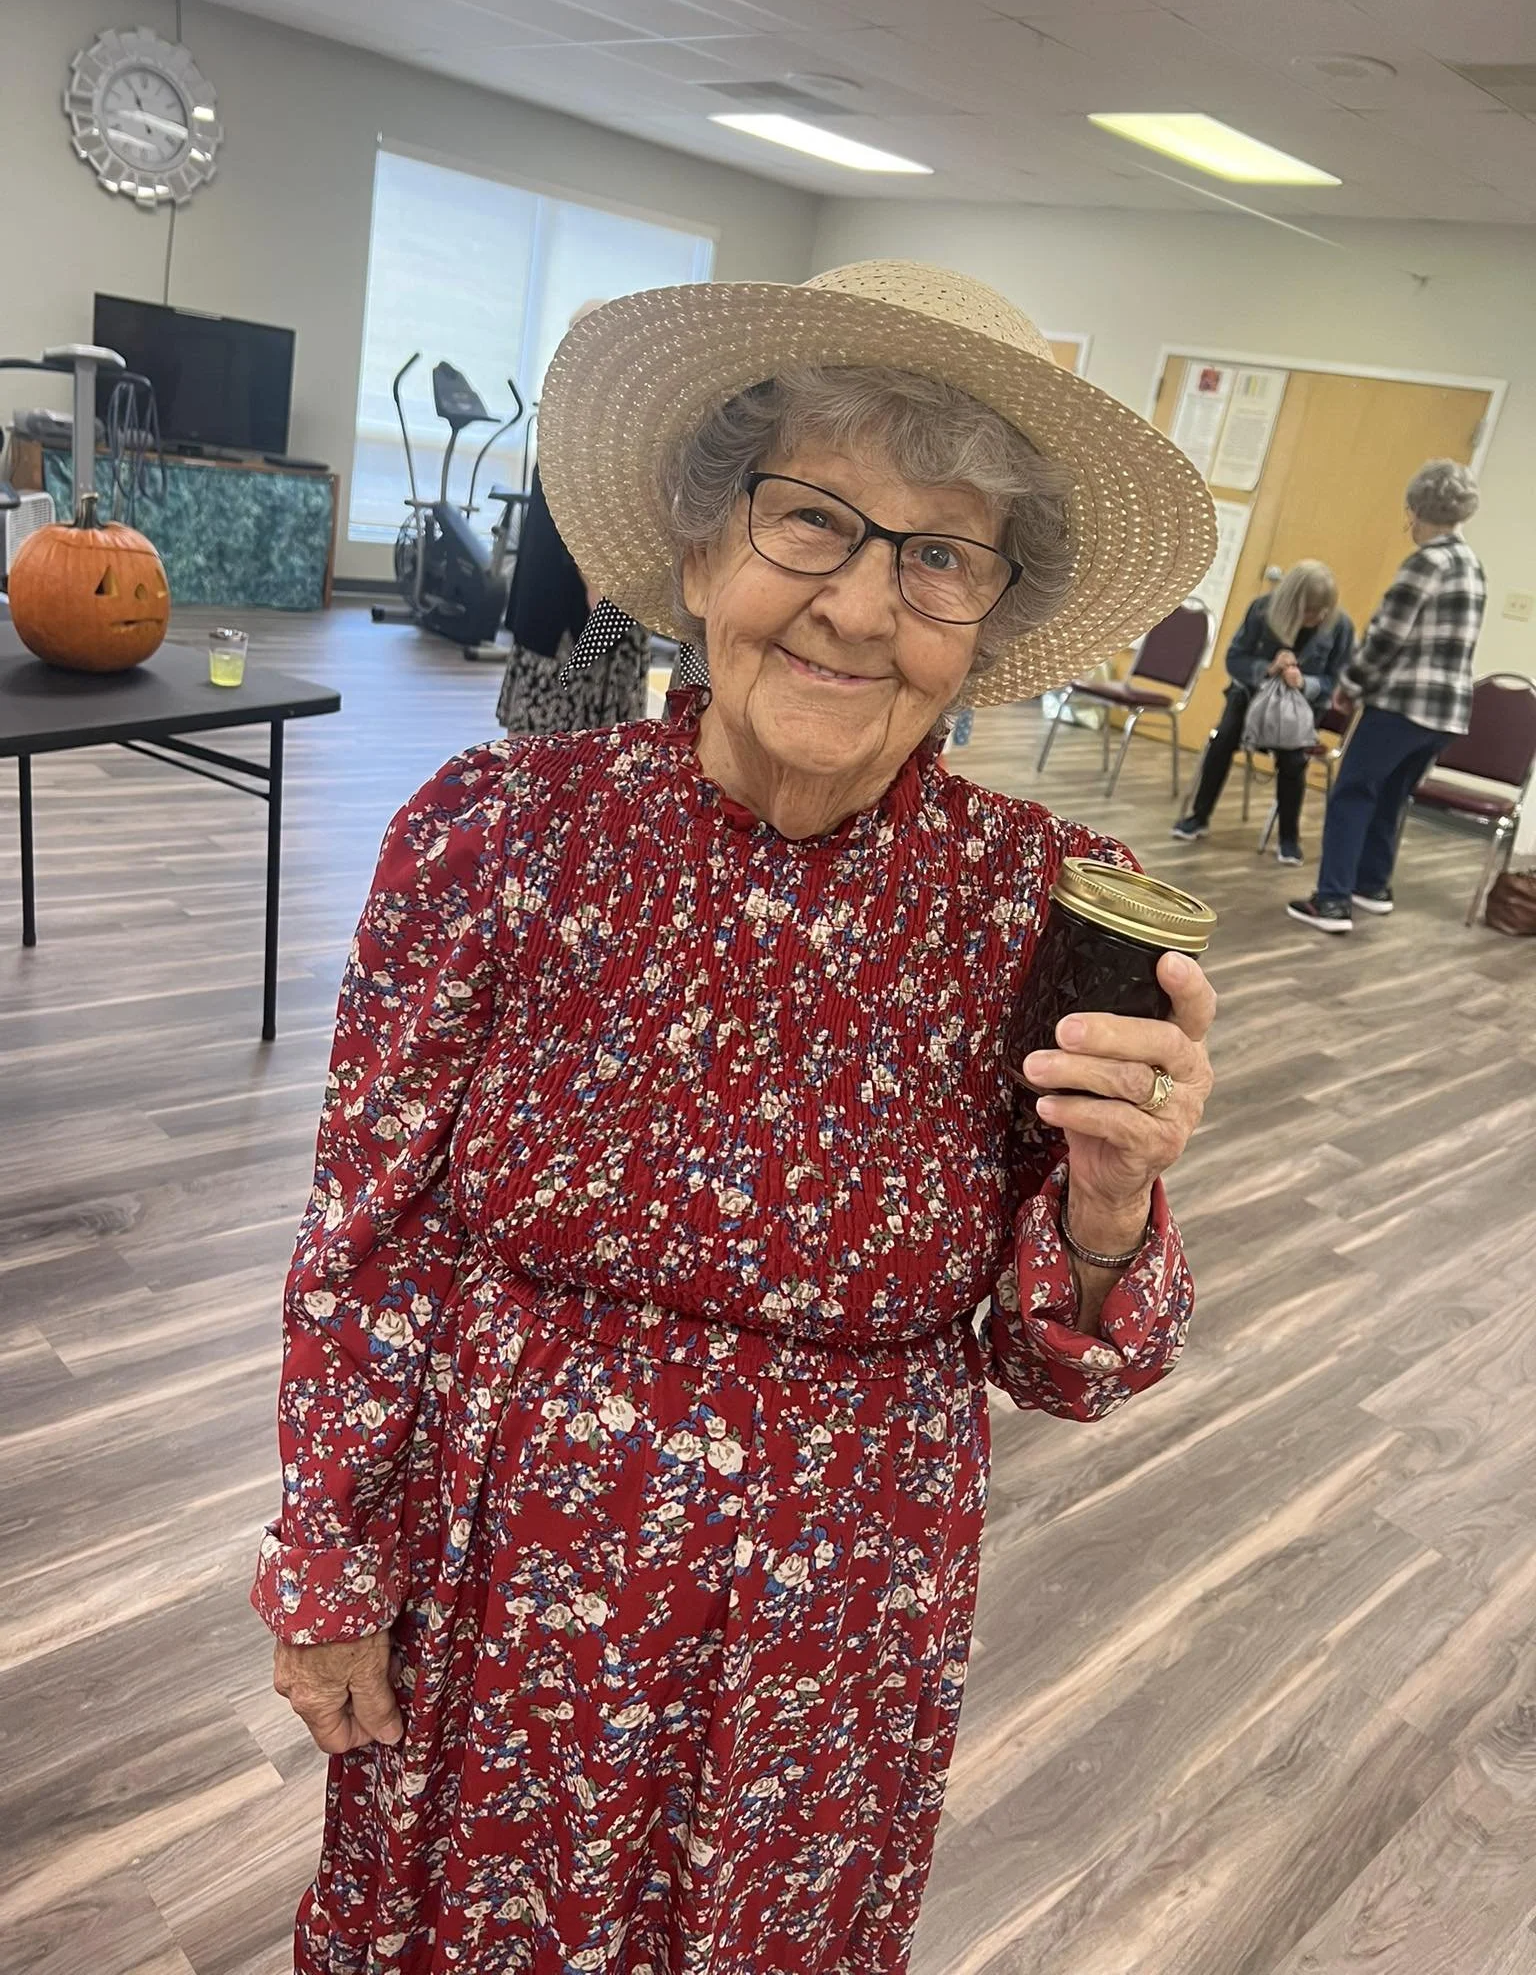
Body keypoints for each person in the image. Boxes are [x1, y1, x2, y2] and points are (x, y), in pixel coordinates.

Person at [254, 260, 1220, 1975]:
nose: (861, 607)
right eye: (812, 521)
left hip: (835, 1639)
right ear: (701, 552)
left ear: (988, 624)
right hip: (498, 1595)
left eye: (939, 556)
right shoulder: (494, 835)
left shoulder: (1056, 907)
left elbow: (1073, 1363)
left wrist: (1105, 1207)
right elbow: (366, 1237)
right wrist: (329, 1568)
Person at [1288, 459, 1486, 933]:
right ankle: (1372, 886)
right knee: (1392, 794)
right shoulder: (1471, 564)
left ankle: (1333, 901)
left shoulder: (1424, 562)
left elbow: (1385, 638)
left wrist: (1349, 688)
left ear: (1418, 509)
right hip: (1447, 713)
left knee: (1352, 792)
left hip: (1402, 706)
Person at [495, 302, 650, 737]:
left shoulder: (604, 411)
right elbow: (579, 516)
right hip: (576, 601)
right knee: (567, 738)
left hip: (597, 593)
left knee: (570, 739)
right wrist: (598, 591)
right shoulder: (584, 416)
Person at [1172, 561, 1353, 864]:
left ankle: (1288, 838)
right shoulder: (1261, 610)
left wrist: (1305, 682)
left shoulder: (1340, 626)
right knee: (1224, 738)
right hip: (1249, 700)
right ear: (1292, 605)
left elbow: (1339, 680)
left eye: (1322, 612)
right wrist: (1267, 669)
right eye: (1310, 612)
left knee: (1294, 759)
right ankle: (1199, 817)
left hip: (1300, 710)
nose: (1317, 618)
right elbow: (1234, 659)